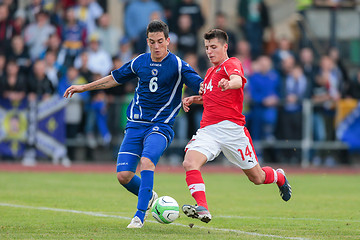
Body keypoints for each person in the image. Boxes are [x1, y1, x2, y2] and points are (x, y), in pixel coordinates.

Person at [63, 20, 203, 228]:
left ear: (168, 41)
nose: (156, 46)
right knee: (123, 175)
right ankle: (149, 196)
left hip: (161, 126)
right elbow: (113, 79)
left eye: (160, 41)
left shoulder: (178, 65)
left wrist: (219, 87)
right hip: (136, 125)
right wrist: (83, 87)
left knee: (146, 162)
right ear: (147, 41)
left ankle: (139, 216)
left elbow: (202, 87)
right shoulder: (139, 61)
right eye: (152, 42)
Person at [181, 29, 292, 223]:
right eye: (207, 47)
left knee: (257, 178)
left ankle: (279, 177)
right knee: (190, 162)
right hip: (208, 130)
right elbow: (212, 98)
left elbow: (237, 81)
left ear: (225, 47)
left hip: (232, 131)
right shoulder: (209, 72)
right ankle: (203, 208)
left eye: (213, 47)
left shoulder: (232, 64)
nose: (209, 51)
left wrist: (229, 83)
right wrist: (195, 99)